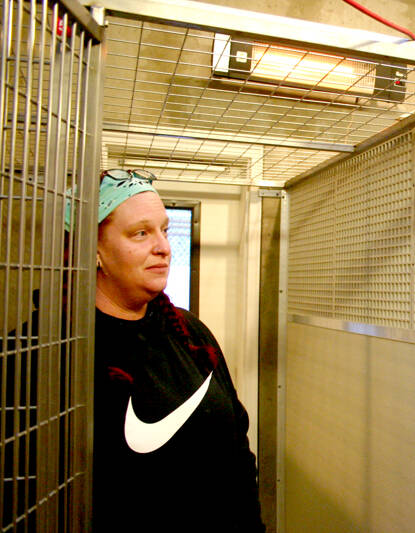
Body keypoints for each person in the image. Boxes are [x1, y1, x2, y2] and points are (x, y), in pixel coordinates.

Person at [84, 169, 264, 532]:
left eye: (164, 230)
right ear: (96, 250)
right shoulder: (60, 351)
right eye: (140, 233)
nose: (164, 246)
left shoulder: (190, 333)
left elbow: (238, 450)